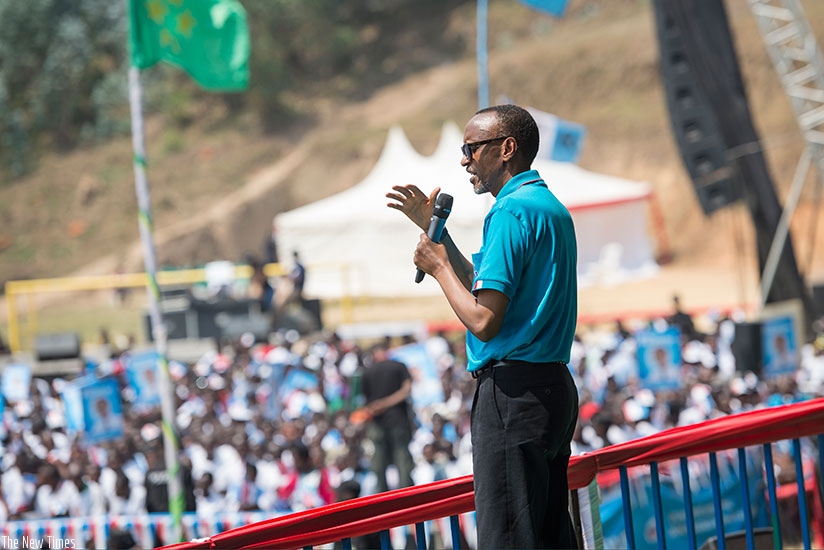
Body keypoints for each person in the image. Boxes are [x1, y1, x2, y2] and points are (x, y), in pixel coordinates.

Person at [386, 104, 579, 548]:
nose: (463, 160)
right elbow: (483, 287)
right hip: (551, 388)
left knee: (508, 536)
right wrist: (441, 239)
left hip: (513, 395)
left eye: (471, 148)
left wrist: (437, 269)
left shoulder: (509, 212)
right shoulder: (547, 206)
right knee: (548, 533)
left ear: (506, 149)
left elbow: (484, 320)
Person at [359, 343, 416, 494]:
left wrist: (380, 405)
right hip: (398, 420)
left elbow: (366, 402)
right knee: (402, 459)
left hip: (378, 422)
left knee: (379, 463)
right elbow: (407, 390)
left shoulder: (367, 372)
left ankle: (382, 497)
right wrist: (388, 403)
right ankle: (407, 495)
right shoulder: (398, 366)